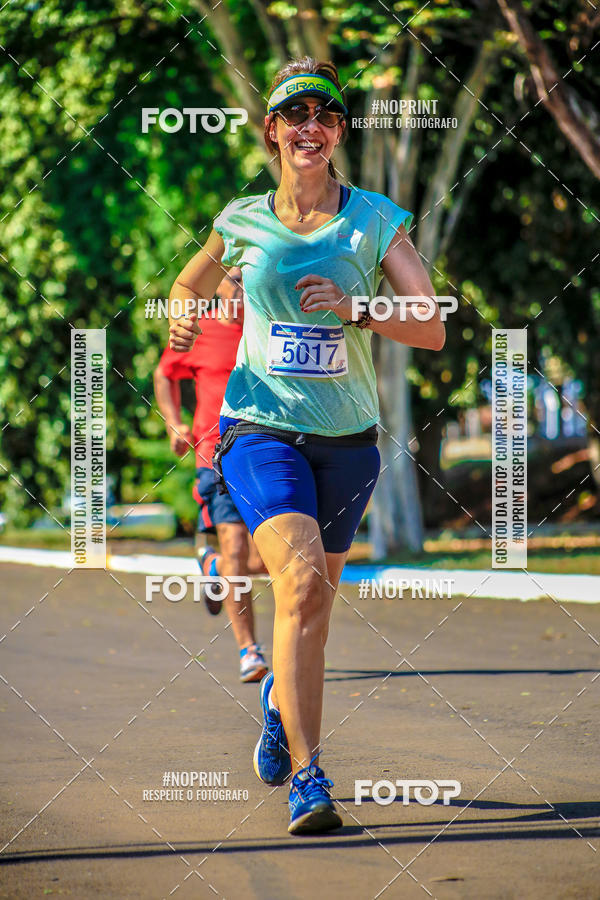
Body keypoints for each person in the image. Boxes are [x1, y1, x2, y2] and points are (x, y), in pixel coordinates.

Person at [168, 58, 445, 835]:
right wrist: (182, 314)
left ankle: (275, 701)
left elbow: (431, 325)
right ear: (273, 131)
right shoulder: (241, 220)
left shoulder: (375, 220)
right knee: (297, 586)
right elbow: (188, 285)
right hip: (258, 430)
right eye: (295, 116)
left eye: (325, 116)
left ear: (340, 132)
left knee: (313, 607)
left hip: (347, 442)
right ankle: (309, 776)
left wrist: (359, 309)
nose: (310, 128)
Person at [154, 267, 268, 683]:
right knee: (236, 549)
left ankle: (215, 567)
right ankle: (249, 650)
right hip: (215, 457)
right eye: (234, 280)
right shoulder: (198, 328)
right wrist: (174, 424)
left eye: (248, 281)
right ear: (218, 286)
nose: (241, 290)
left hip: (266, 455)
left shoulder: (267, 329)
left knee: (263, 559)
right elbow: (164, 374)